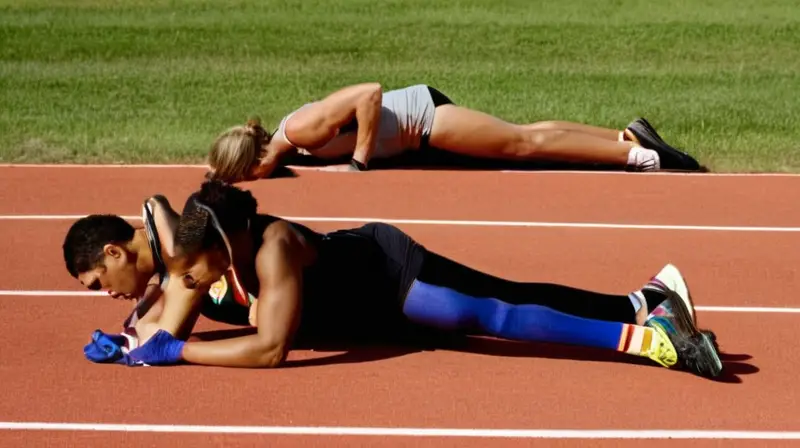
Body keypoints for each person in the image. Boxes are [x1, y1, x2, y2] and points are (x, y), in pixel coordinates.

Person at [87, 180, 723, 379]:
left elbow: (271, 348)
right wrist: (132, 338)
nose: (185, 286)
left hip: (391, 275)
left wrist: (179, 349)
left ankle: (648, 332)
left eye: (189, 274)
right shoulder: (210, 248)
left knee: (494, 314)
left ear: (220, 250)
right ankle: (645, 299)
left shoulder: (273, 247)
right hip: (369, 315)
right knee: (499, 307)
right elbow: (167, 250)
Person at [203, 83, 703, 183]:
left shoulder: (303, 131)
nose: (251, 183)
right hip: (422, 122)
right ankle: (627, 137)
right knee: (524, 134)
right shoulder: (286, 145)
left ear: (256, 161)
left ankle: (644, 160)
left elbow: (369, 93)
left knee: (523, 147)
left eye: (245, 178)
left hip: (427, 121)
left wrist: (359, 161)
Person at [61, 195, 254, 337]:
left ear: (114, 252)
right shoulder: (161, 259)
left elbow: (161, 340)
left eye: (98, 283)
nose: (108, 292)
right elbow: (143, 326)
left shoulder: (177, 254)